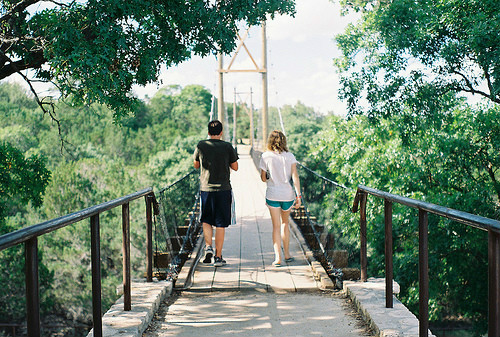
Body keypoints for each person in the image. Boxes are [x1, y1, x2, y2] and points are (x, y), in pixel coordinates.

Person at [194, 120, 239, 267]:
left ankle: (208, 247)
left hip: (206, 189)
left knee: (206, 220)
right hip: (223, 189)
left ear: (208, 132)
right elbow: (235, 167)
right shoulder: (227, 146)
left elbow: (196, 165)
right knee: (220, 224)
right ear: (221, 132)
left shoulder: (201, 145)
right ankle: (218, 257)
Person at [259, 130, 301, 267]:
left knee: (276, 226)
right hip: (287, 195)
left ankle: (278, 258)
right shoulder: (290, 156)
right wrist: (298, 196)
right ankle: (287, 254)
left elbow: (263, 178)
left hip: (272, 194)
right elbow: (295, 177)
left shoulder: (265, 156)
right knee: (285, 224)